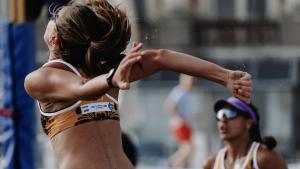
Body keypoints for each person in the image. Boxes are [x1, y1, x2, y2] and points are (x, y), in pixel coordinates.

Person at [24, 1, 252, 169]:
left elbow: (160, 57)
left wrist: (225, 76)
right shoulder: (44, 79)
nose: (50, 19)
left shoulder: (103, 72)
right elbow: (79, 87)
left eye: (54, 19)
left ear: (55, 38)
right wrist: (110, 79)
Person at [202, 97, 288, 169]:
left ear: (248, 123)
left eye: (231, 113)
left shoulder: (265, 159)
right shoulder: (211, 164)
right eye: (220, 114)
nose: (223, 120)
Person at [165, 74, 198, 168]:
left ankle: (176, 164)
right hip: (181, 125)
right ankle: (171, 163)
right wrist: (181, 119)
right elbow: (170, 106)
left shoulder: (190, 92)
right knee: (189, 149)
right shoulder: (180, 91)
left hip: (186, 125)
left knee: (186, 150)